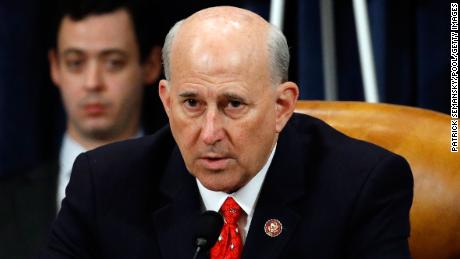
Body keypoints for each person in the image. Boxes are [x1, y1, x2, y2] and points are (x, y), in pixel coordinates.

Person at [40, 6, 413, 259]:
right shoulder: (103, 184)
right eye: (192, 104)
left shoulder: (362, 187)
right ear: (167, 102)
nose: (209, 133)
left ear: (282, 107)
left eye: (233, 104)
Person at [0, 1, 165, 258]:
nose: (92, 83)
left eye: (113, 63)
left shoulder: (193, 194)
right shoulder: (6, 203)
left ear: (152, 65)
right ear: (55, 66)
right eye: (76, 63)